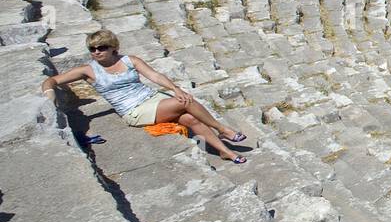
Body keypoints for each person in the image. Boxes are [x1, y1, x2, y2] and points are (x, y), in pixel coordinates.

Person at [40, 30, 247, 163]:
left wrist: (175, 88)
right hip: (134, 110)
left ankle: (224, 151)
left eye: (102, 48)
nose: (97, 52)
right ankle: (222, 129)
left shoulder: (130, 60)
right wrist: (50, 97)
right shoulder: (88, 70)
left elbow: (154, 75)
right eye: (92, 49)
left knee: (190, 117)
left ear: (114, 48)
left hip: (153, 98)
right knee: (186, 102)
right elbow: (52, 81)